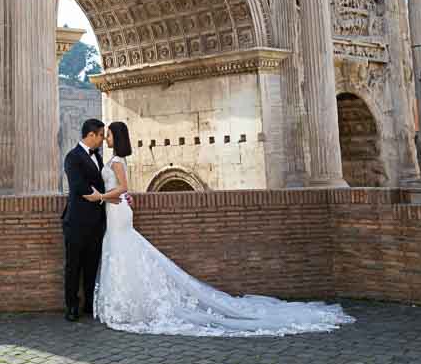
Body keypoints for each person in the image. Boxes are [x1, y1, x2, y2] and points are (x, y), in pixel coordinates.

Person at [91, 121, 355, 337]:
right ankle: (125, 304)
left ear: (118, 136)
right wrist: (113, 196)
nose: (107, 138)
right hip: (117, 209)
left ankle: (126, 306)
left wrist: (101, 197)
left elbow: (123, 188)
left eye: (109, 135)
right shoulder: (116, 160)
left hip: (117, 210)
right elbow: (124, 190)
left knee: (123, 252)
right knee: (123, 253)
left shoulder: (116, 161)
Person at [61, 118, 107, 322]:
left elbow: (103, 185)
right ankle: (71, 306)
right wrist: (97, 195)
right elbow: (78, 186)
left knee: (91, 264)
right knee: (73, 266)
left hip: (97, 222)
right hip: (77, 222)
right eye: (101, 136)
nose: (103, 140)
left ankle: (89, 303)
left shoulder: (98, 156)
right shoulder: (72, 157)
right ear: (91, 135)